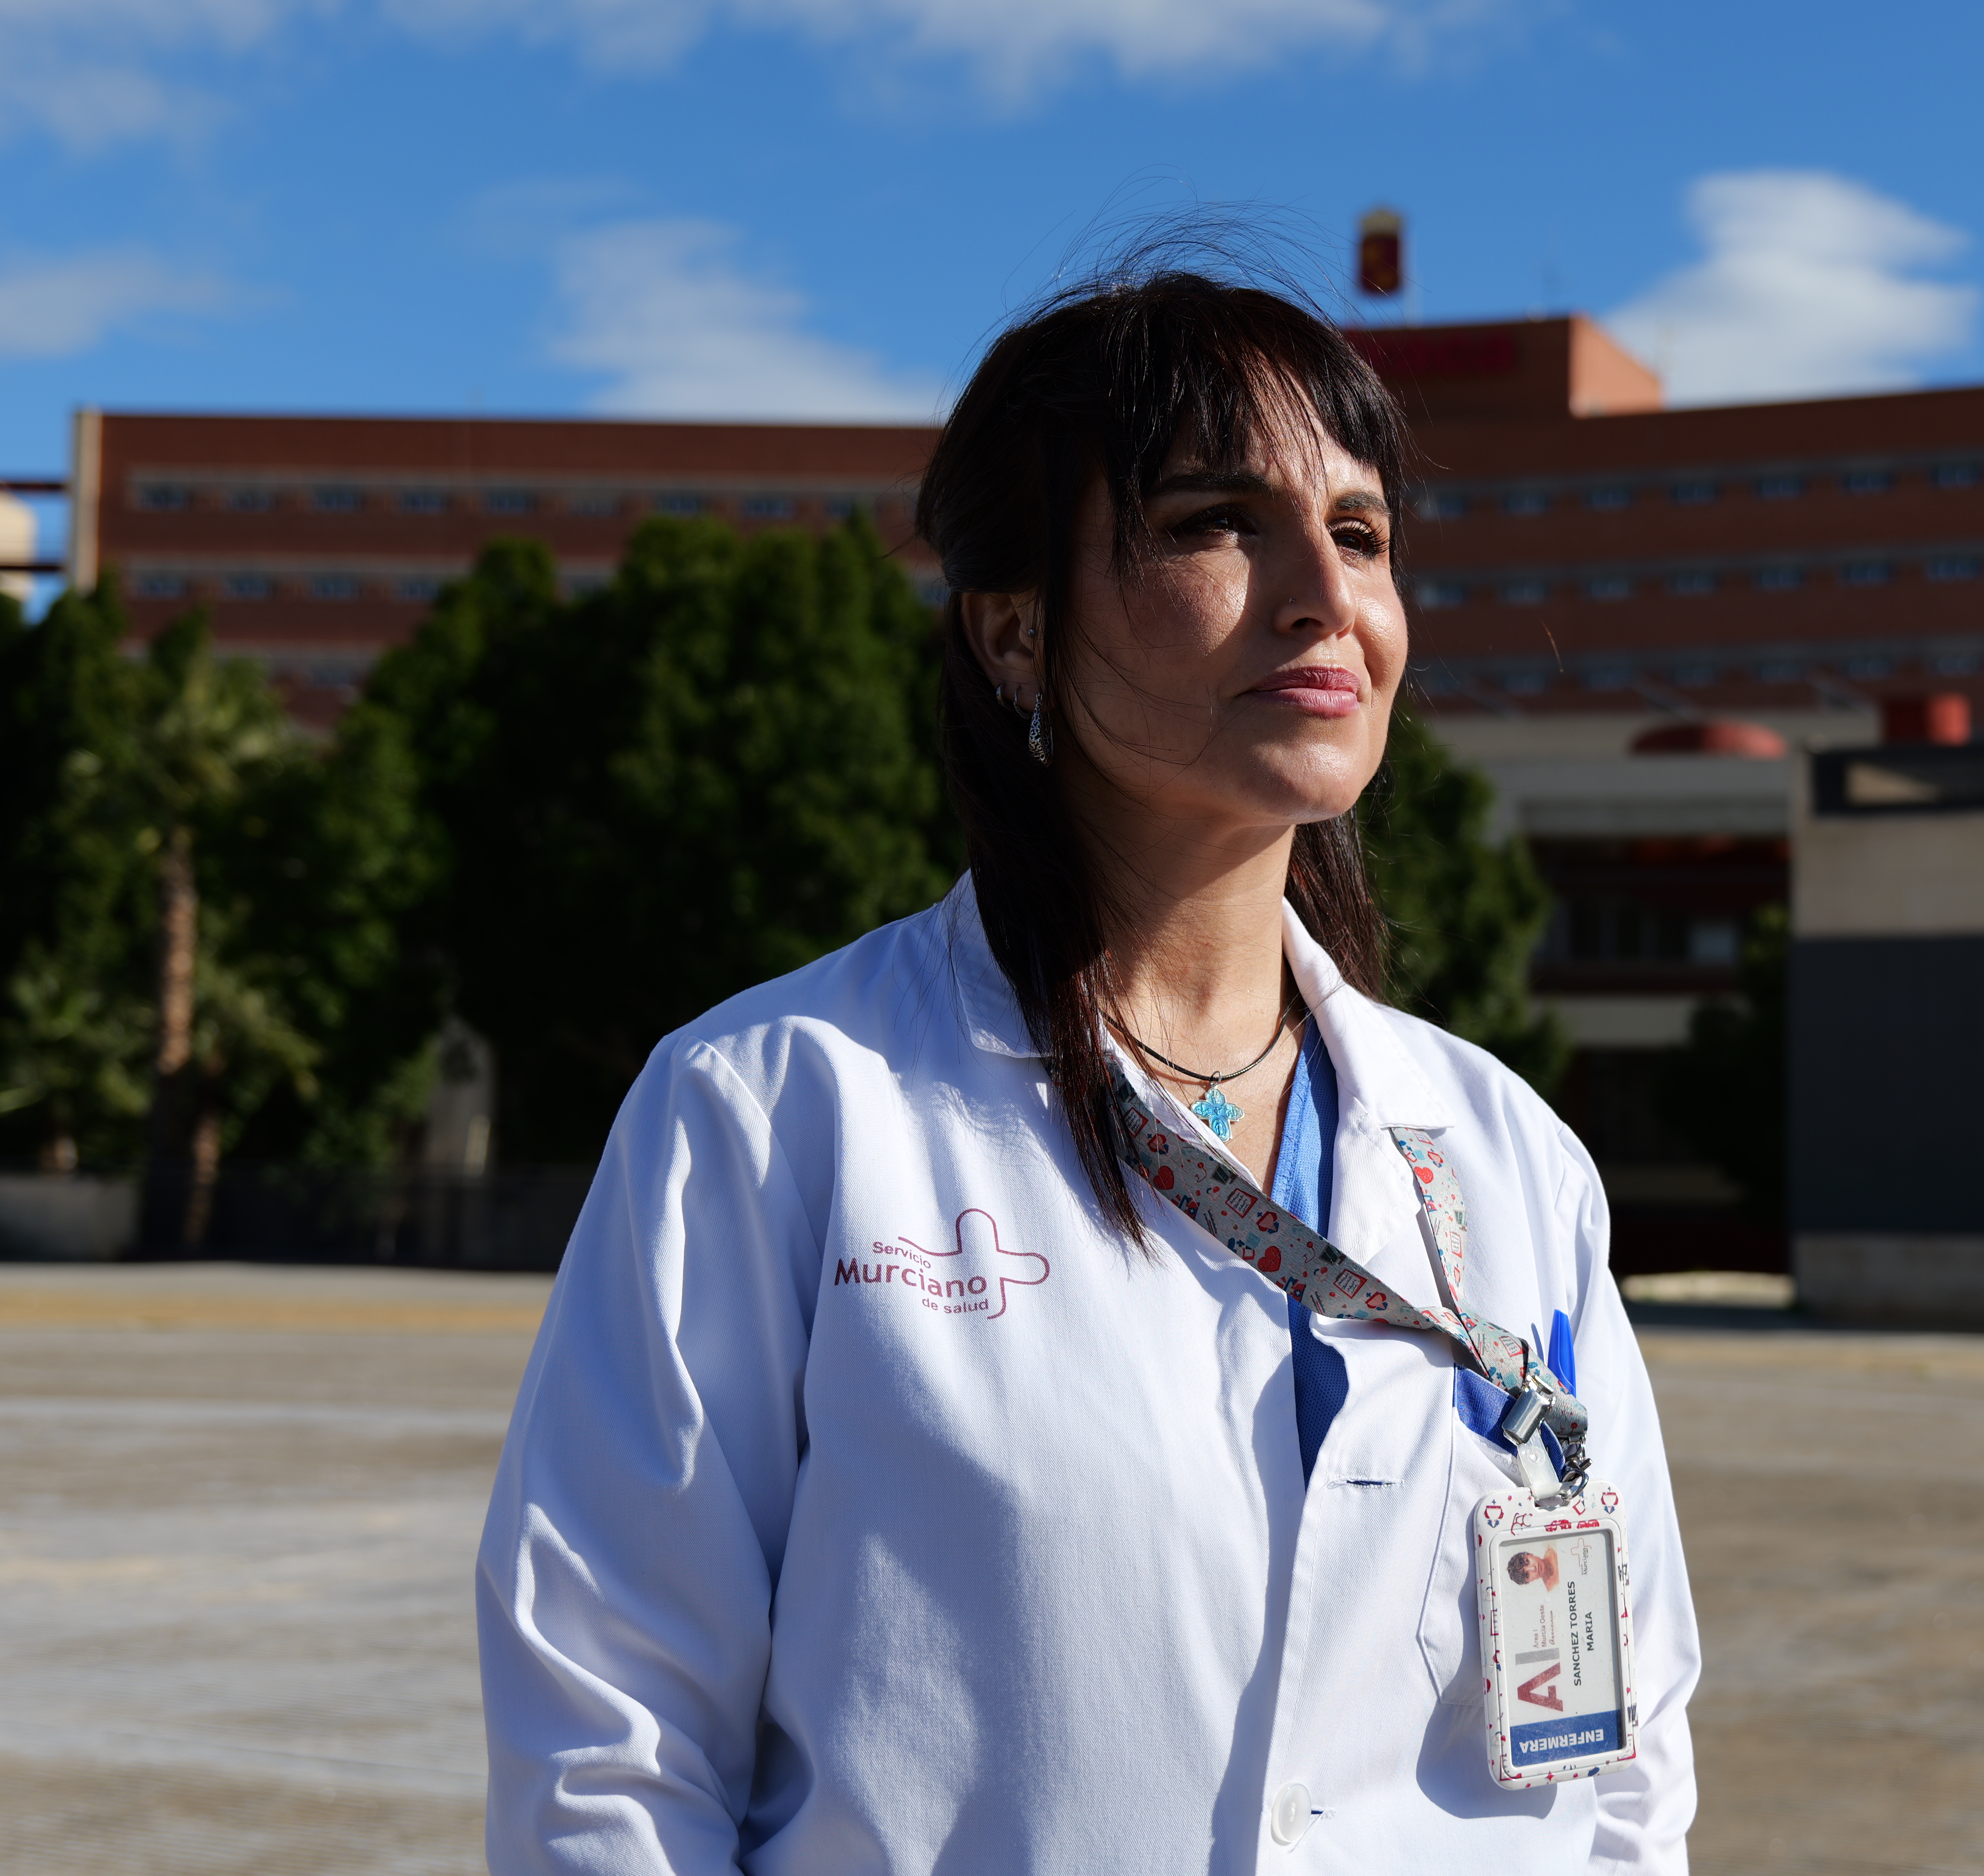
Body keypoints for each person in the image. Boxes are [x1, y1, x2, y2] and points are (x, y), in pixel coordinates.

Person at [475, 263, 1700, 1874]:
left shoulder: (1505, 1155)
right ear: (1011, 630)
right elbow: (609, 1747)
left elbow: (1626, 1767)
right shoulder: (775, 1110)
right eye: (1214, 520)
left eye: (1360, 533)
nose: (1323, 594)